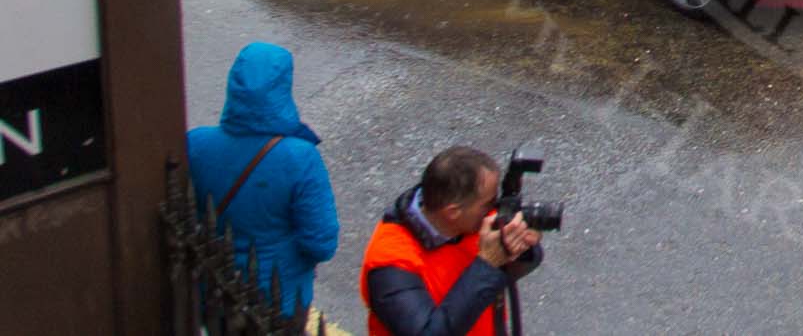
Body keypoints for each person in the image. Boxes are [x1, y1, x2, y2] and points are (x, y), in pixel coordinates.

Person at [185, 43, 339, 327]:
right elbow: (321, 243)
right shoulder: (300, 157)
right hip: (279, 300)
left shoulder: (195, 144)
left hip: (217, 291)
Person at [359, 146, 542, 336]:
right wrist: (488, 264)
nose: (493, 211)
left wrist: (522, 248)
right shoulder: (389, 263)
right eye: (487, 204)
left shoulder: (472, 221)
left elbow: (510, 270)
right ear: (453, 212)